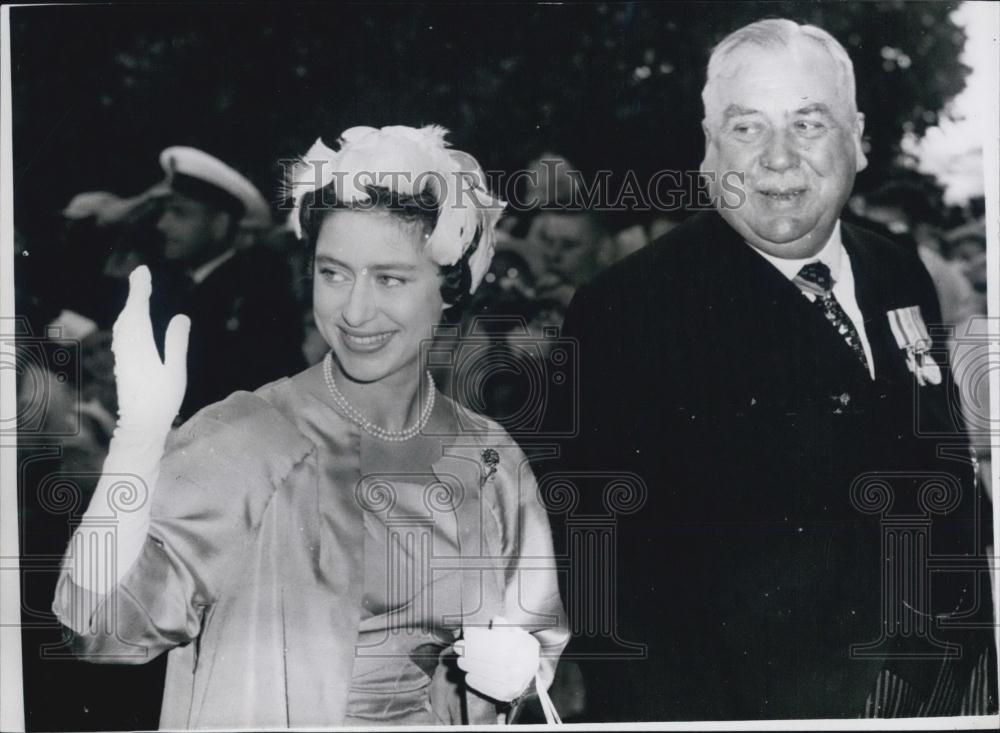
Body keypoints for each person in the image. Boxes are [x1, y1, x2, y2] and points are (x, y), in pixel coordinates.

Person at [546, 19, 996, 720]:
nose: (778, 158)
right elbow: (605, 588)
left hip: (948, 689)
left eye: (808, 124)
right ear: (708, 148)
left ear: (858, 138)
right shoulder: (627, 311)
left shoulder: (896, 269)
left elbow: (939, 469)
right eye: (747, 128)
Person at [52, 125, 569, 728]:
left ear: (451, 288)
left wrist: (519, 676)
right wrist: (137, 444)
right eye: (333, 273)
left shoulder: (488, 457)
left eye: (390, 278)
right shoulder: (248, 435)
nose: (354, 310)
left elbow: (532, 647)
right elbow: (100, 627)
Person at [151, 147, 306, 417]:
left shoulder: (256, 297)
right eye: (164, 212)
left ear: (220, 224)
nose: (162, 225)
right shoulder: (177, 286)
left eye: (180, 213)